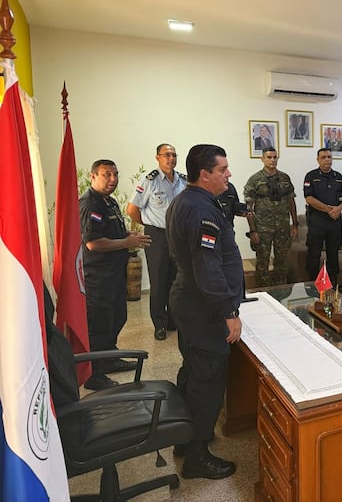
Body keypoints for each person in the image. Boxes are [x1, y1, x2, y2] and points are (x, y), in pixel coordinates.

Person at [166, 144, 243, 480]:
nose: (228, 174)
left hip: (191, 301)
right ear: (204, 174)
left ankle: (185, 437)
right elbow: (208, 267)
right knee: (207, 378)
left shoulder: (191, 200)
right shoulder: (200, 210)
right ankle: (197, 455)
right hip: (203, 307)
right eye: (222, 169)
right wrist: (228, 310)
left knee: (193, 369)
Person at [79, 159, 152, 390]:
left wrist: (127, 235)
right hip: (98, 276)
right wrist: (125, 242)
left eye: (115, 175)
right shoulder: (90, 204)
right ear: (93, 177)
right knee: (100, 326)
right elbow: (93, 243)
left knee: (117, 318)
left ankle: (109, 359)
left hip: (113, 275)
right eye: (106, 175)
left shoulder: (108, 202)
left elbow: (109, 232)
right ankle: (94, 375)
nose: (112, 179)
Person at [127, 143, 187, 341]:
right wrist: (149, 224)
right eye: (166, 155)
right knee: (160, 281)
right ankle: (160, 324)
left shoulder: (182, 181)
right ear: (157, 157)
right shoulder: (150, 181)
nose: (171, 158)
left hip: (178, 236)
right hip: (157, 236)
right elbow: (132, 209)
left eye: (174, 155)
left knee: (177, 280)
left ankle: (173, 320)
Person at [243, 147, 298, 287]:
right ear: (262, 159)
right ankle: (263, 292)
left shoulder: (285, 178)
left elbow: (291, 201)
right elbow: (248, 207)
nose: (272, 160)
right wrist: (253, 230)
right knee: (262, 262)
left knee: (282, 261)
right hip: (262, 228)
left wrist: (295, 224)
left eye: (275, 157)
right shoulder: (254, 180)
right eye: (269, 157)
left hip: (283, 227)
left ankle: (281, 292)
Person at [303, 148, 342, 285]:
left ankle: (333, 285)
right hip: (317, 221)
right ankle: (312, 285)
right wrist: (328, 209)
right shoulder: (311, 176)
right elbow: (309, 198)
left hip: (334, 222)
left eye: (329, 157)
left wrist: (339, 208)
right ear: (318, 159)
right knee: (314, 253)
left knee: (333, 253)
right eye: (323, 157)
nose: (327, 160)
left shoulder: (338, 176)